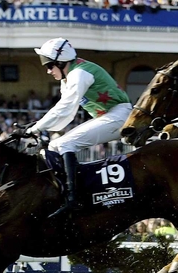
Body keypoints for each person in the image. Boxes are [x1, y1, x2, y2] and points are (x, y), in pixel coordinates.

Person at [26, 37, 133, 217]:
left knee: (65, 144)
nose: (48, 71)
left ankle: (73, 199)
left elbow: (65, 108)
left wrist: (34, 129)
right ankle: (65, 193)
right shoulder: (69, 77)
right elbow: (65, 114)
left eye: (50, 66)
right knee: (54, 145)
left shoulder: (79, 74)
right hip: (110, 115)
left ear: (61, 62)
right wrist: (35, 126)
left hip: (119, 115)